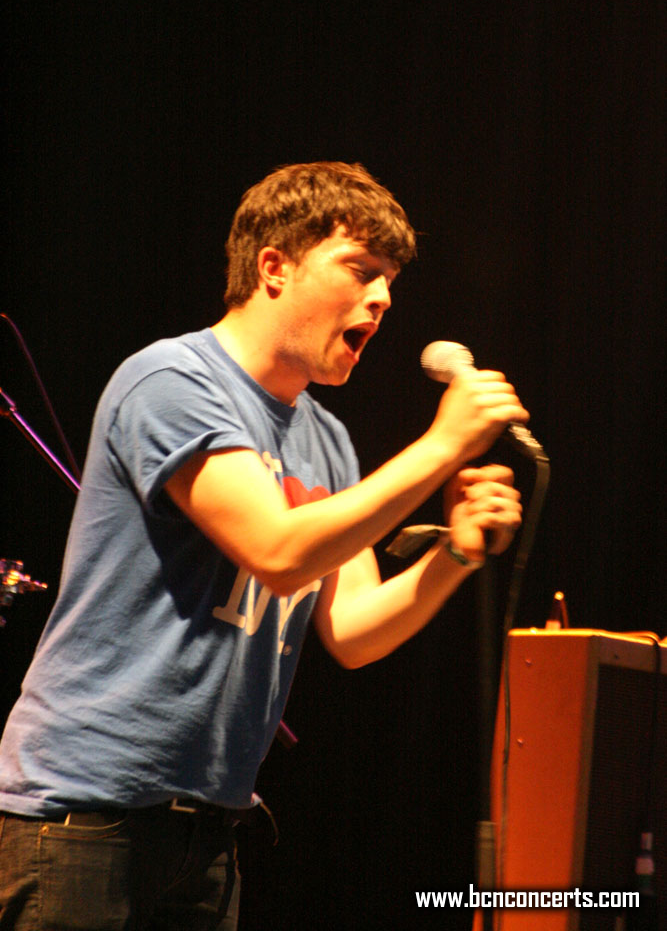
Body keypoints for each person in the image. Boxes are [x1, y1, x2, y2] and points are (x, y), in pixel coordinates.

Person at [0, 162, 526, 930]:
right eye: (360, 269)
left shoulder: (324, 437)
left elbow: (353, 632)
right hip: (86, 818)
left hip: (208, 832)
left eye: (388, 281)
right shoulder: (172, 380)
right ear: (274, 267)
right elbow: (277, 553)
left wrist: (456, 556)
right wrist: (442, 446)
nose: (382, 298)